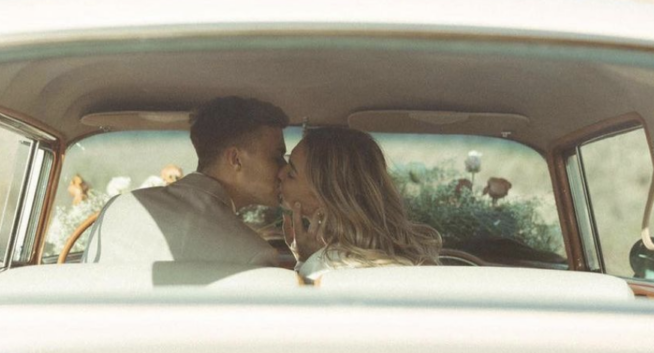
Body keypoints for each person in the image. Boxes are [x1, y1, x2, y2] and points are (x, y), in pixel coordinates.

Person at [84, 96, 288, 266]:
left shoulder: (117, 207)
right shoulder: (254, 255)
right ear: (235, 159)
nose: (284, 170)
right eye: (277, 157)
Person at [278, 126, 441, 281]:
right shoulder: (413, 259)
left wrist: (308, 262)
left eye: (291, 173)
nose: (280, 173)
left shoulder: (325, 269)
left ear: (328, 197)